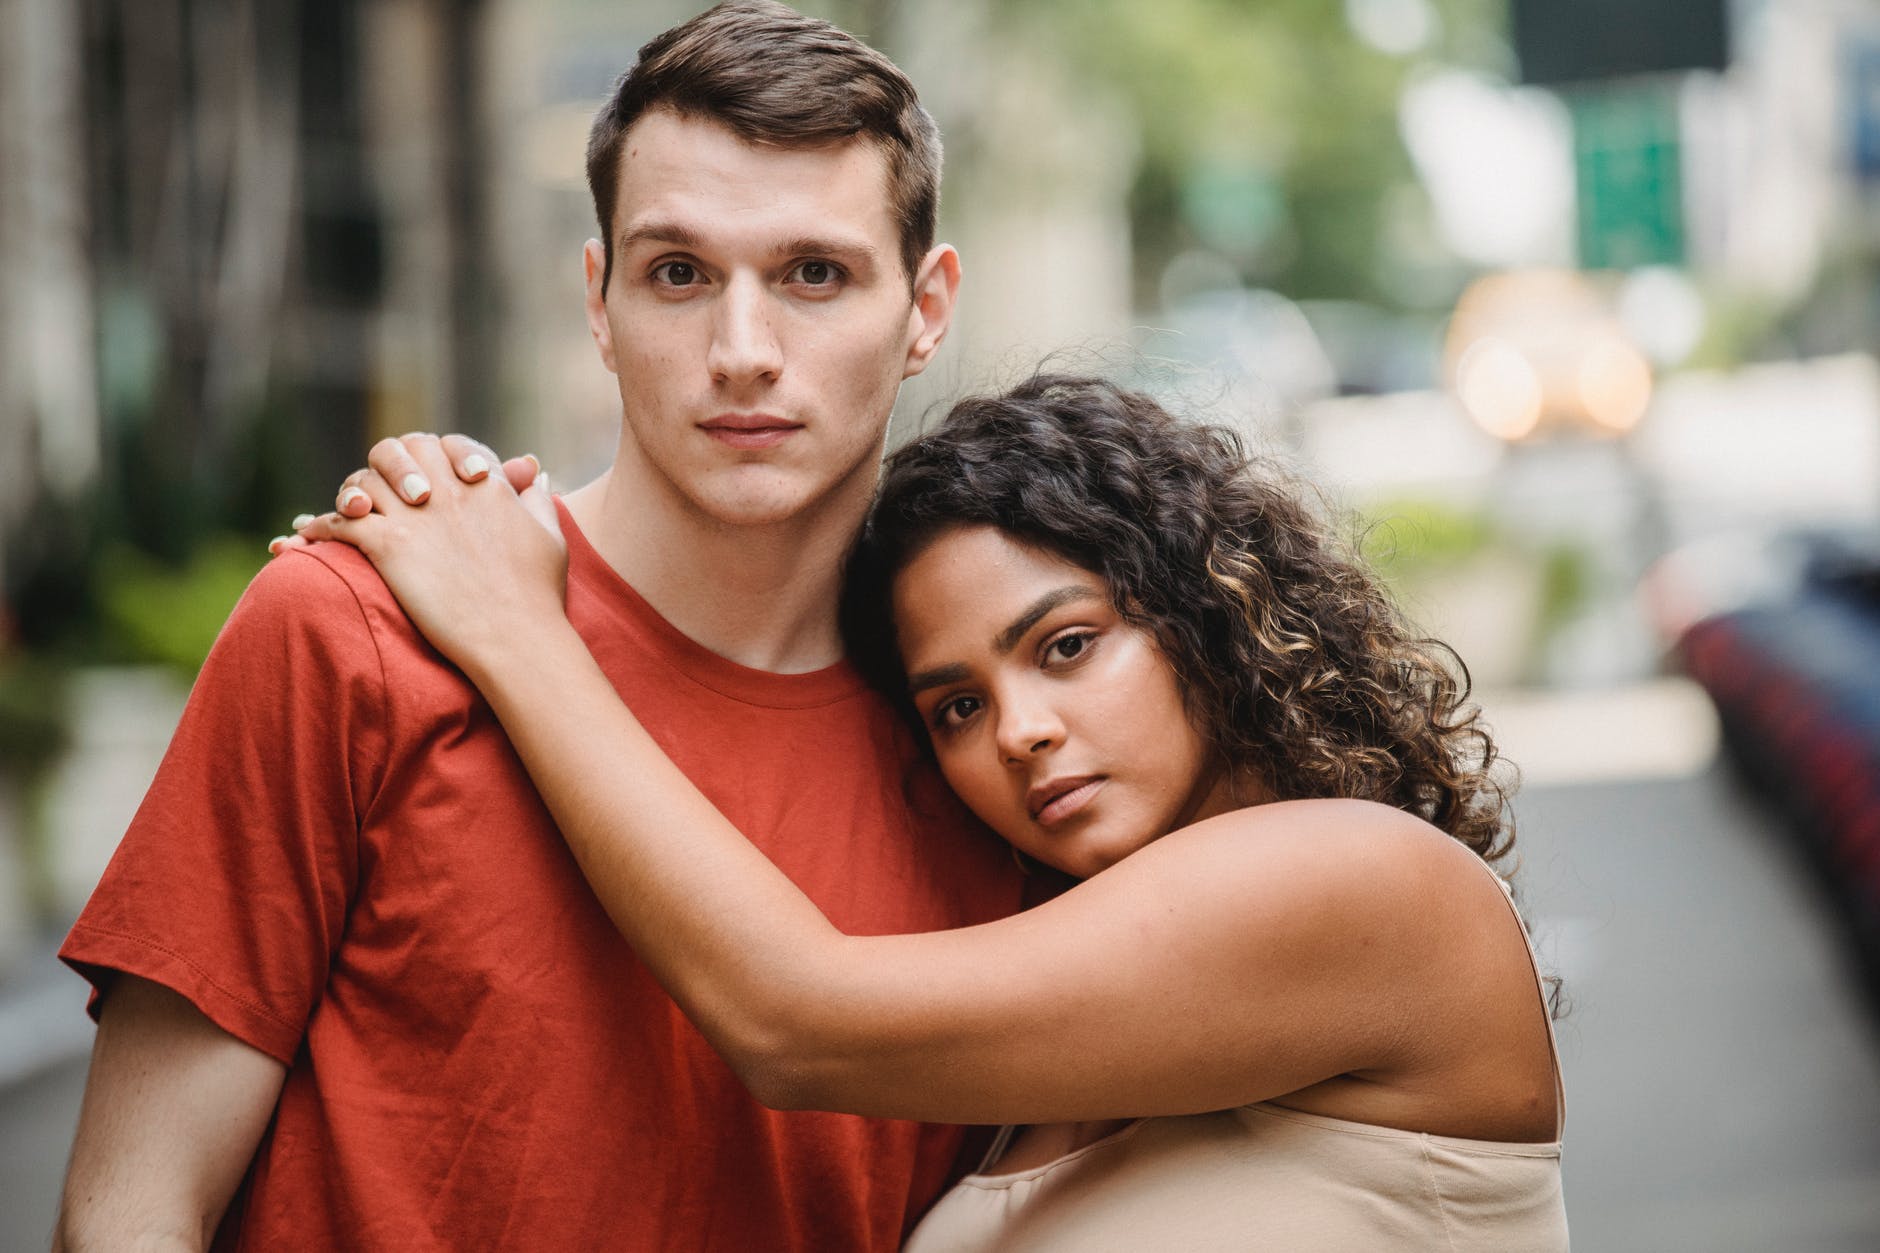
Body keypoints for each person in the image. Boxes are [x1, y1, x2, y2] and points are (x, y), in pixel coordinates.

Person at [54, 4, 1026, 1249]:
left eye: (813, 274)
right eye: (678, 273)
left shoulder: (996, 743)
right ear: (598, 298)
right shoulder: (353, 623)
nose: (742, 351)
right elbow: (128, 1207)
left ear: (925, 309)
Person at [295, 373, 1569, 1250]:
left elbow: (795, 1021)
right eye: (953, 705)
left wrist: (518, 629)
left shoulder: (1368, 885)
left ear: (1208, 614)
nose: (1016, 728)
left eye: (1065, 645)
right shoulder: (1050, 1009)